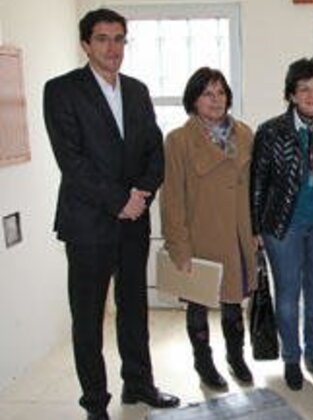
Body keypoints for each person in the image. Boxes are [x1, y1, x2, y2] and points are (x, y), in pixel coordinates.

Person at [42, 8, 179, 420]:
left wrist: (142, 195)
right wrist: (120, 200)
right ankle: (95, 403)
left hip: (134, 222)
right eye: (102, 39)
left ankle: (138, 384)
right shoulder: (62, 91)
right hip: (88, 225)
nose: (112, 48)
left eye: (119, 39)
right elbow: (72, 161)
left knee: (134, 308)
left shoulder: (136, 90)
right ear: (85, 44)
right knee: (88, 318)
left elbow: (154, 151)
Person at [251, 57, 313, 391]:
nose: (311, 95)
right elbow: (258, 182)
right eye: (303, 89)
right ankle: (291, 358)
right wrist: (255, 228)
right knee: (288, 295)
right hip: (283, 225)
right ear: (291, 95)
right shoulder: (271, 131)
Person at [160, 67, 258, 390]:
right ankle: (203, 363)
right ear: (193, 100)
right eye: (207, 94)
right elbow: (172, 198)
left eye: (221, 93)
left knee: (234, 303)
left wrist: (257, 231)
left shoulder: (245, 134)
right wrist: (179, 246)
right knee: (198, 304)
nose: (216, 100)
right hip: (200, 237)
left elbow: (256, 188)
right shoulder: (178, 140)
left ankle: (236, 358)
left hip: (238, 234)